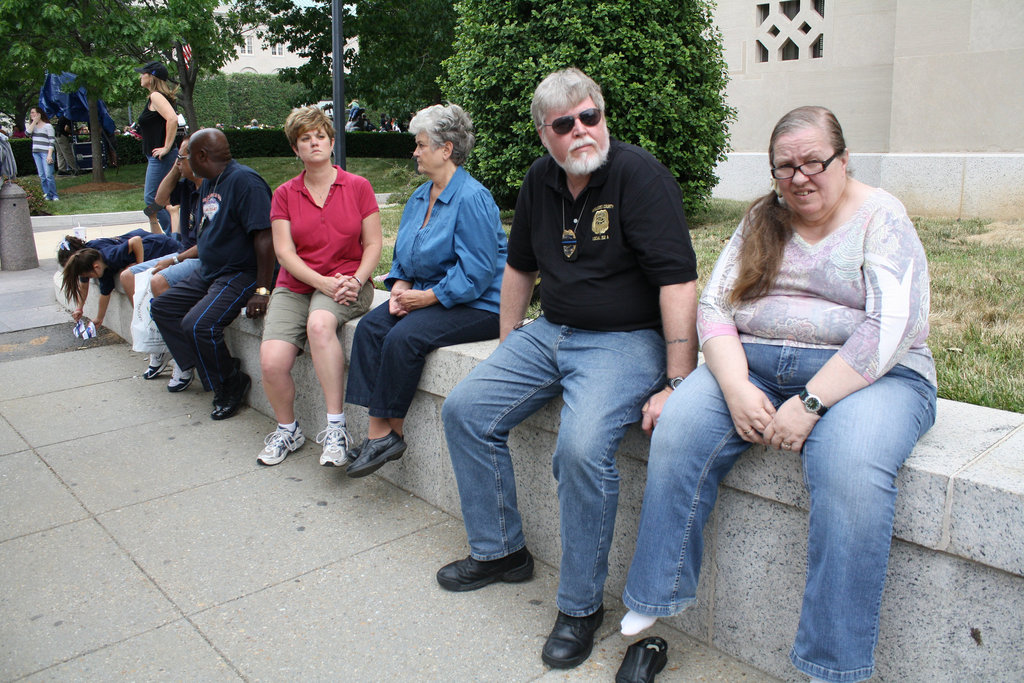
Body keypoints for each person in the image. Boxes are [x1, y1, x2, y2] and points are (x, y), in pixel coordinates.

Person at [618, 106, 937, 683]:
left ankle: (832, 663)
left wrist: (812, 402)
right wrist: (736, 386)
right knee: (682, 426)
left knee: (848, 469)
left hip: (871, 375)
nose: (800, 177)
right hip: (755, 362)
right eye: (785, 166)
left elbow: (891, 326)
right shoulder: (763, 218)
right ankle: (657, 591)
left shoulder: (882, 217)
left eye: (815, 162)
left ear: (844, 160)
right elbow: (715, 305)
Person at [436, 68, 699, 670]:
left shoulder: (639, 177)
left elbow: (678, 282)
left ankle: (581, 606)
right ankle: (501, 551)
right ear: (543, 134)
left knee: (581, 449)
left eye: (590, 117)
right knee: (465, 410)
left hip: (626, 341)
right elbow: (519, 269)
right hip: (551, 331)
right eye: (565, 124)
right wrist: (507, 345)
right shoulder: (540, 181)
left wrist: (678, 381)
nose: (582, 131)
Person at [344, 103, 507, 478]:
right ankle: (379, 434)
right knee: (370, 330)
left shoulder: (473, 198)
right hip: (429, 295)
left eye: (420, 145)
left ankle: (390, 433)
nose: (414, 152)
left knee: (404, 337)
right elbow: (404, 256)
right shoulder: (420, 197)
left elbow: (478, 272)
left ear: (445, 149)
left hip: (481, 303)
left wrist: (427, 298)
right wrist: (401, 287)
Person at [255, 106, 382, 467]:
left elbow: (373, 243)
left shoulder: (358, 186)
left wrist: (355, 280)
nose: (314, 143)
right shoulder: (284, 193)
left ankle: (336, 430)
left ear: (331, 141)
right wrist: (320, 282)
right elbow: (284, 251)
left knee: (319, 325)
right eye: (305, 139)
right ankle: (288, 431)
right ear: (295, 149)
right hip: (297, 286)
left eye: (320, 136)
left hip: (348, 283)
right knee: (271, 360)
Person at [150, 128, 275, 420]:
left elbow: (265, 238)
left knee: (198, 325)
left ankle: (230, 381)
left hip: (240, 272)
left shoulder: (245, 182)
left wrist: (262, 289)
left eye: (188, 156)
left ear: (202, 156)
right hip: (211, 271)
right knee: (163, 307)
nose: (185, 162)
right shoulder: (208, 182)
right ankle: (206, 366)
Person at [119, 136, 204, 389]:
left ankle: (181, 357)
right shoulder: (186, 187)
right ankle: (159, 342)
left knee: (159, 281)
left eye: (184, 156)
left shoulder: (212, 189)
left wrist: (175, 260)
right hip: (182, 250)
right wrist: (177, 166)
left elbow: (213, 242)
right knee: (127, 277)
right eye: (178, 155)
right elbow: (158, 198)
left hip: (201, 256)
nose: (179, 161)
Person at [57, 229, 180, 329]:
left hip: (160, 246)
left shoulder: (109, 256)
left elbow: (136, 241)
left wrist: (138, 266)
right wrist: (96, 316)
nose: (87, 279)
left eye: (88, 276)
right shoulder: (102, 268)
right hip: (147, 247)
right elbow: (103, 293)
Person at [136, 60, 180, 234]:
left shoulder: (156, 96)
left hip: (161, 157)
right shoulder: (158, 97)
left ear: (152, 76)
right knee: (166, 199)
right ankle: (175, 234)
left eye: (143, 73)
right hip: (158, 157)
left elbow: (173, 119)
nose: (140, 76)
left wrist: (166, 147)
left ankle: (173, 235)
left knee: (152, 198)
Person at [26, 107, 58, 201]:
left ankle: (54, 194)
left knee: (48, 175)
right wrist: (34, 122)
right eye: (31, 113)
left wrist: (49, 155)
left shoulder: (48, 126)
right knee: (42, 175)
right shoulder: (32, 126)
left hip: (46, 152)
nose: (32, 115)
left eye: (33, 113)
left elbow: (51, 141)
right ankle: (47, 194)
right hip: (36, 153)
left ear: (39, 114)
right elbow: (27, 133)